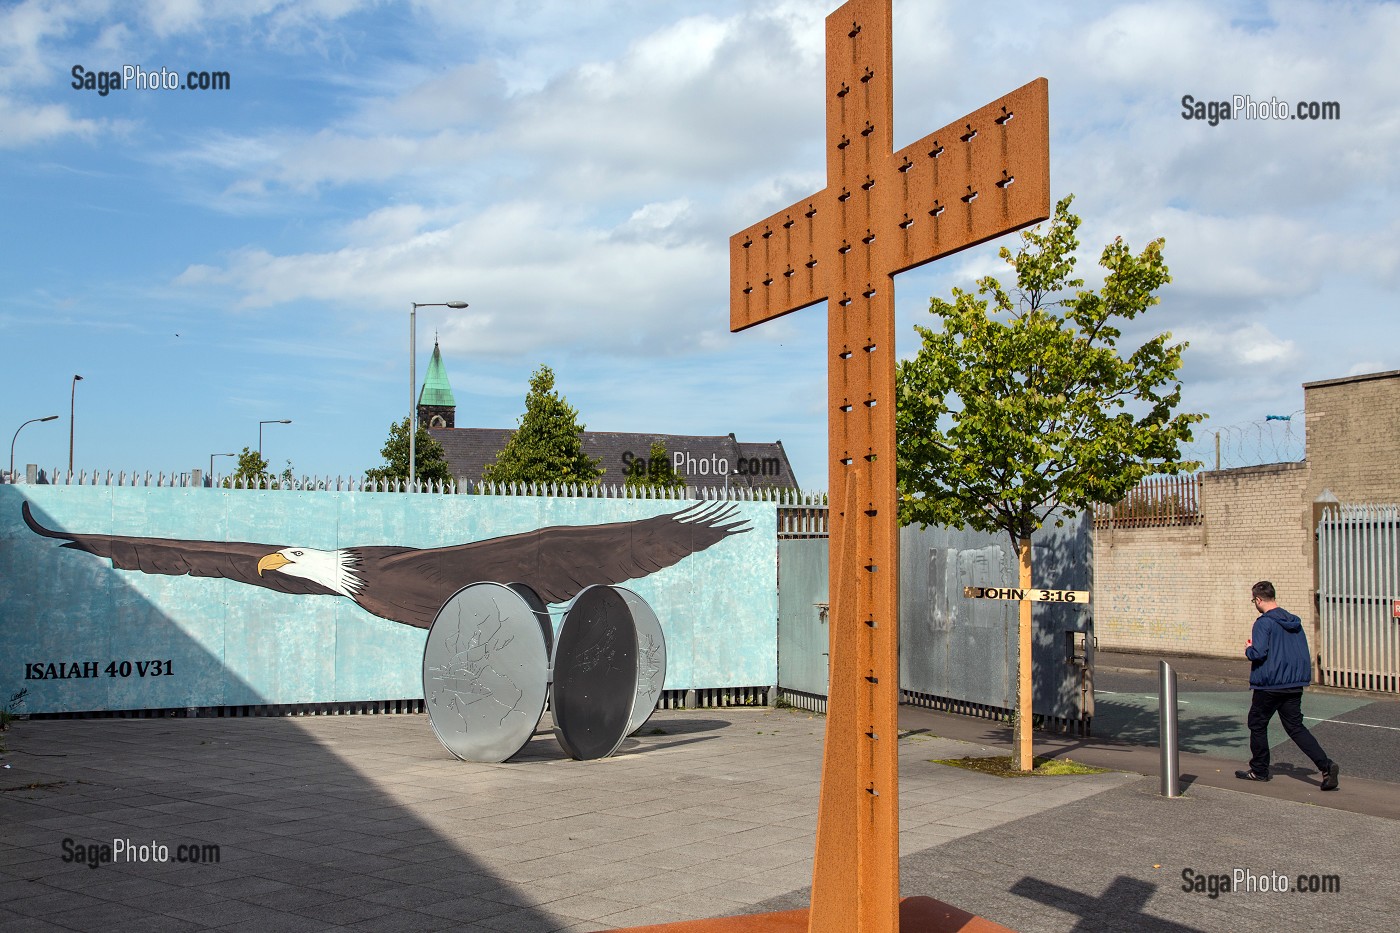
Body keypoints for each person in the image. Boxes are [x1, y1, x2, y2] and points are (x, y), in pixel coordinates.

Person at [1235, 581, 1339, 790]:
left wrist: (1248, 649)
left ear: (1257, 599)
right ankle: (1326, 766)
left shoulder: (1263, 623)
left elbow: (1259, 653)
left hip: (1269, 684)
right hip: (1293, 683)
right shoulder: (1294, 622)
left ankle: (1259, 770)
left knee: (1257, 725)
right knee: (1295, 728)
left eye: (1253, 601)